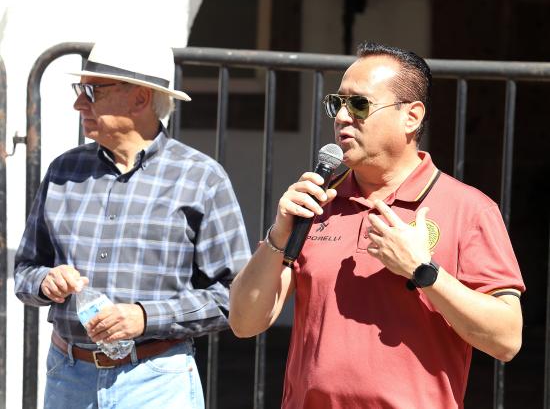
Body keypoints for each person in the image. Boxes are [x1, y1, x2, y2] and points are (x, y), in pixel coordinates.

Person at [229, 42, 525, 409]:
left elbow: (506, 340)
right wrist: (278, 235)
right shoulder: (318, 203)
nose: (341, 116)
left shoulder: (469, 209)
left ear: (411, 117)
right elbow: (244, 323)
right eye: (336, 103)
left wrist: (424, 270)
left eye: (359, 104)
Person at [14, 39, 250, 409]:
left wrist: (144, 317)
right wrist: (46, 282)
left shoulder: (201, 178)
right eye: (80, 90)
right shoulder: (63, 171)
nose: (79, 104)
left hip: (156, 382)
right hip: (68, 376)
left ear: (140, 99)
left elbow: (235, 297)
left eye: (92, 92)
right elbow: (25, 271)